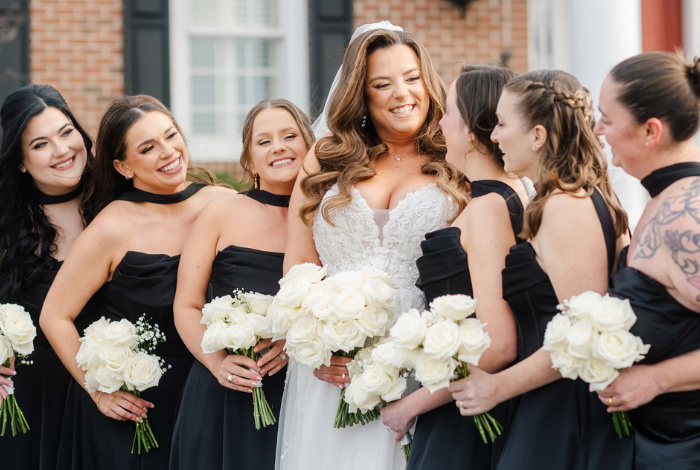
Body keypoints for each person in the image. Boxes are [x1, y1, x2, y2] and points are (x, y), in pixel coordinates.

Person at [276, 26, 467, 470]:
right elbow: (299, 263)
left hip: (418, 358)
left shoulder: (456, 158)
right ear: (361, 96)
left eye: (412, 77)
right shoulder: (324, 157)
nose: (402, 94)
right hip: (333, 362)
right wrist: (318, 347)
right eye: (382, 84)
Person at [449, 70, 632, 470]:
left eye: (501, 123)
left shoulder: (567, 206)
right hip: (546, 402)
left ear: (536, 136)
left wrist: (497, 386)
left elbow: (582, 336)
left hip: (564, 411)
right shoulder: (564, 198)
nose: (493, 136)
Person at [39, 95, 232, 470]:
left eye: (170, 135)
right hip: (137, 413)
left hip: (215, 394)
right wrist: (98, 390)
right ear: (123, 166)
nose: (168, 152)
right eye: (148, 148)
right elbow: (54, 316)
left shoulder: (224, 202)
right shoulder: (113, 226)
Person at [380, 64, 528, 470]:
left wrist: (413, 403)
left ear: (473, 128)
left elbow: (499, 342)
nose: (439, 121)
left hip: (467, 413)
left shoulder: (488, 209)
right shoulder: (488, 199)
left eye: (447, 111)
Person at [169, 99, 315, 470]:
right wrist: (219, 364)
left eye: (289, 136)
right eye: (263, 141)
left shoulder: (329, 217)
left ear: (310, 145)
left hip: (299, 392)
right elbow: (186, 304)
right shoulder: (221, 212)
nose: (278, 146)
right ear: (249, 160)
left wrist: (294, 340)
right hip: (223, 391)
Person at [594, 51, 700, 470]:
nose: (598, 130)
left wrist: (656, 379)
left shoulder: (689, 218)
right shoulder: (663, 201)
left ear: (650, 131)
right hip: (649, 443)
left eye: (607, 117)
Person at [0, 85, 98, 470]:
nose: (62, 150)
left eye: (66, 131)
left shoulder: (122, 201)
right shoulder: (7, 227)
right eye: (41, 144)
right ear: (21, 161)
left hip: (118, 397)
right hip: (32, 404)